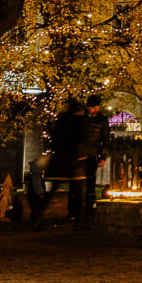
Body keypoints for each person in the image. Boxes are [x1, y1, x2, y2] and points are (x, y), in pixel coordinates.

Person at [34, 97, 85, 231]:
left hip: (58, 160)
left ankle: (39, 216)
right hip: (72, 160)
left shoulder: (61, 119)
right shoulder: (77, 121)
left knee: (52, 191)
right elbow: (80, 138)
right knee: (79, 192)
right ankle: (78, 221)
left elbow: (54, 138)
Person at [76, 95, 111, 229]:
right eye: (93, 107)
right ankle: (77, 211)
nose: (95, 109)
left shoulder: (102, 120)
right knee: (78, 184)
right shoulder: (82, 119)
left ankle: (89, 210)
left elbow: (105, 139)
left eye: (97, 107)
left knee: (90, 183)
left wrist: (102, 156)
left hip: (91, 156)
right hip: (80, 155)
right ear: (88, 107)